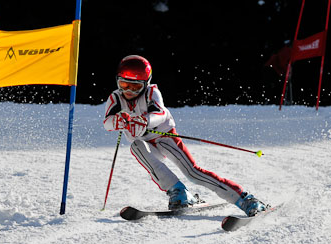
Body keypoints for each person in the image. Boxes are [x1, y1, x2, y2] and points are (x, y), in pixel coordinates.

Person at [103, 55, 267, 216]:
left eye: (135, 87)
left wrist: (144, 120)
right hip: (146, 145)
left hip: (165, 138)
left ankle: (246, 199)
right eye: (123, 84)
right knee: (136, 146)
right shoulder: (116, 98)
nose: (128, 91)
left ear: (145, 84)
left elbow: (160, 113)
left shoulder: (152, 93)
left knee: (193, 173)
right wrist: (117, 121)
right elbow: (107, 122)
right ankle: (179, 192)